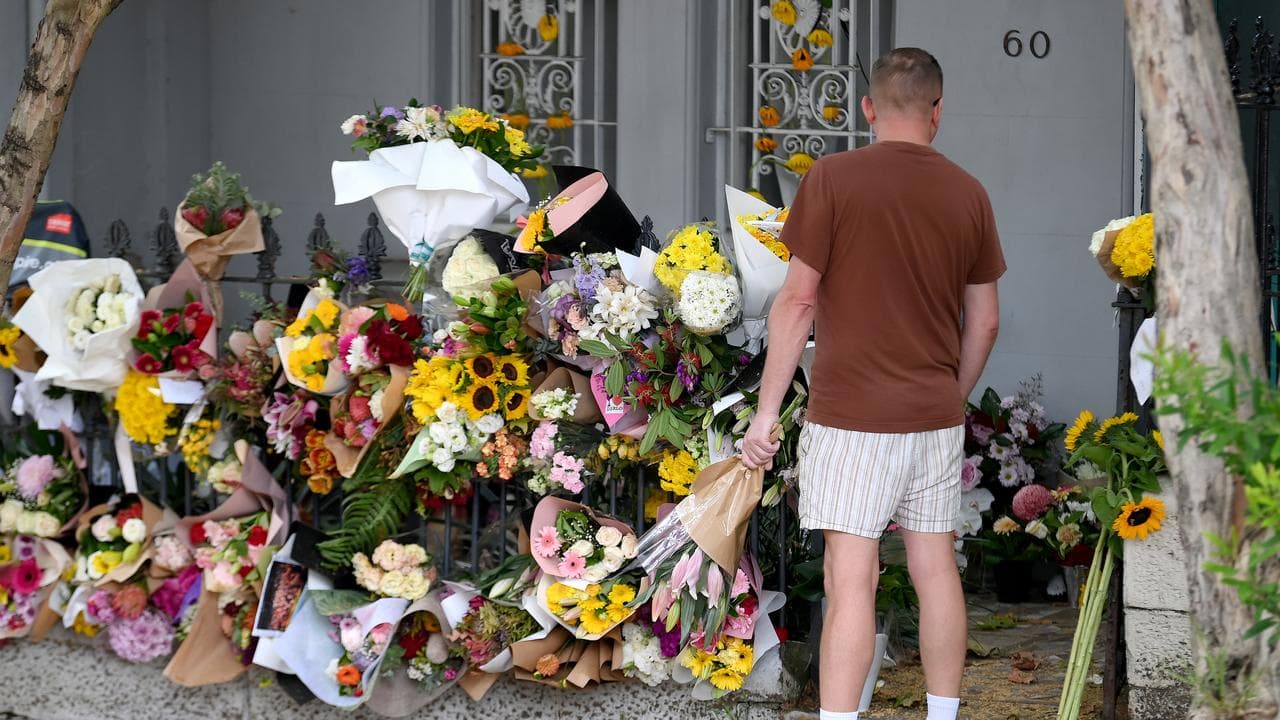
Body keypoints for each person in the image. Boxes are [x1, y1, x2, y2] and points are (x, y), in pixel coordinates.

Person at [741, 47, 1005, 720]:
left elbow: (798, 303)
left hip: (852, 414)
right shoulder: (969, 192)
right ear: (938, 110)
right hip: (933, 414)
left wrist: (767, 413)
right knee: (935, 568)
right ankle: (943, 716)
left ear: (867, 107)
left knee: (850, 579)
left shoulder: (832, 178)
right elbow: (987, 320)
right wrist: (953, 391)